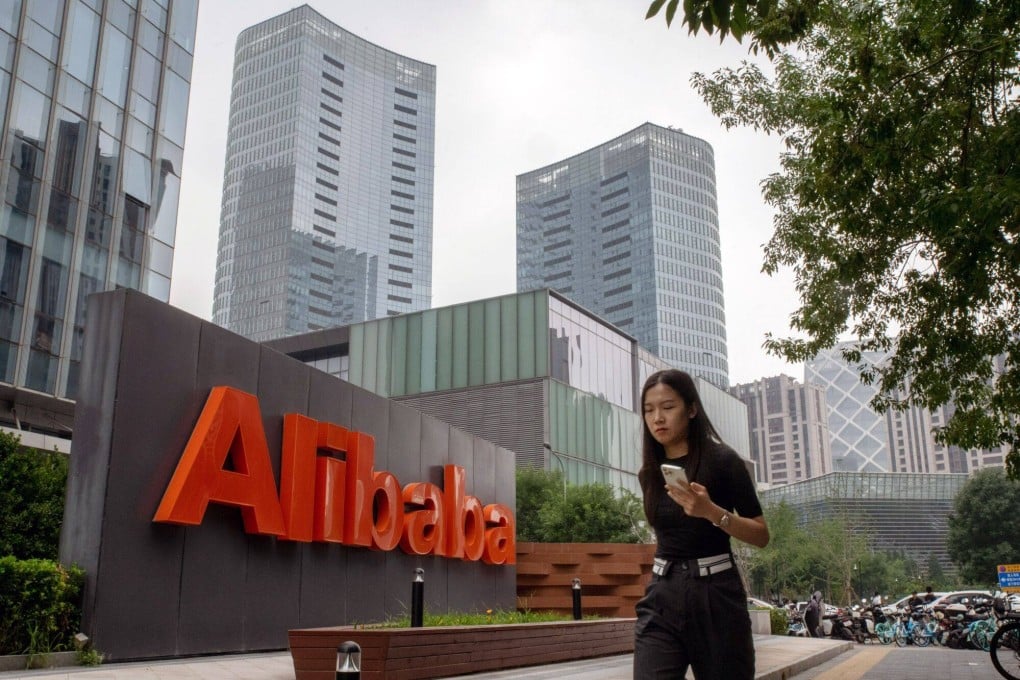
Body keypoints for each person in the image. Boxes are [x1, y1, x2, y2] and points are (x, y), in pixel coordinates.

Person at [633, 369, 770, 679]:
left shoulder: (723, 461)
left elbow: (761, 535)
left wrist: (712, 512)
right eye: (649, 410)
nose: (658, 418)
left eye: (668, 407)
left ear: (691, 409)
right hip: (662, 594)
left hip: (716, 594)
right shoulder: (649, 474)